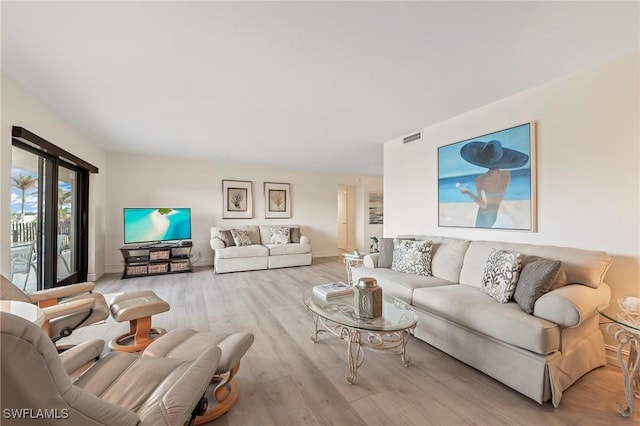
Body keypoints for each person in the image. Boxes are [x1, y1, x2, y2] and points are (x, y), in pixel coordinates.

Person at [457, 140, 528, 228]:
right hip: (499, 212)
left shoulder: (480, 180)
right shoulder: (507, 174)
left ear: (483, 161)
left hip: (485, 214)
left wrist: (468, 192)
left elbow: (482, 204)